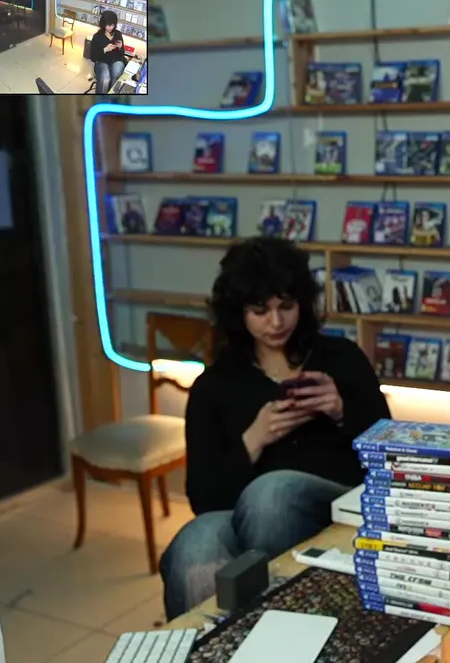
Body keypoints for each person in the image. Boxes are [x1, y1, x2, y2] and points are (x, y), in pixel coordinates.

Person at [159, 236, 390, 620]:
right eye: (260, 311)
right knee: (195, 542)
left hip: (335, 502)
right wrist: (253, 440)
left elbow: (390, 453)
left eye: (286, 306)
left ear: (303, 303)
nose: (276, 322)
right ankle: (210, 645)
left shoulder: (340, 357)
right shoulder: (214, 386)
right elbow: (204, 499)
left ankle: (281, 624)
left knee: (272, 493)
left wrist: (340, 410)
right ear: (238, 312)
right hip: (243, 516)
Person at [90, 10, 128, 95]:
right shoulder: (97, 36)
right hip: (102, 61)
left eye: (113, 25)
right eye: (108, 25)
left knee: (116, 76)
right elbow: (93, 57)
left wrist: (121, 47)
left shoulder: (118, 34)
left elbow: (122, 53)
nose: (111, 27)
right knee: (105, 79)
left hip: (117, 60)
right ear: (103, 24)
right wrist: (105, 50)